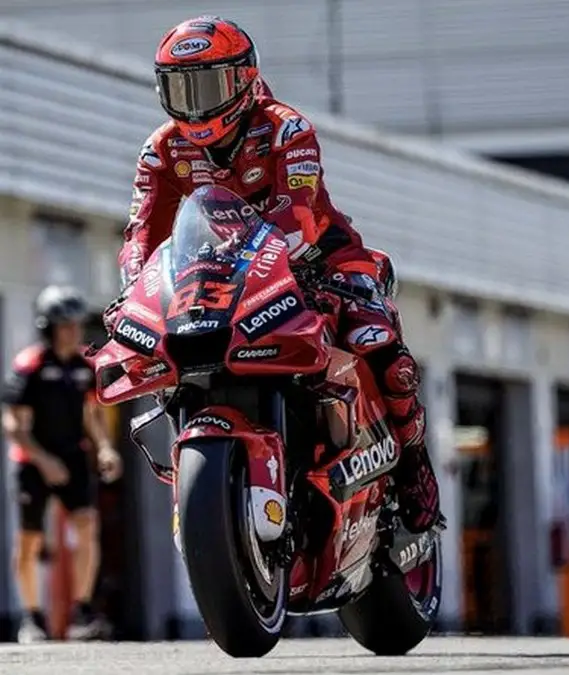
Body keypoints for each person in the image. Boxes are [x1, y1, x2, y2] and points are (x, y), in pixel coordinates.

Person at [103, 16, 440, 534]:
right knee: (160, 350)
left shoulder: (285, 127)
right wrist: (132, 291)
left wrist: (282, 260)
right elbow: (141, 233)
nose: (195, 103)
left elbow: (295, 215)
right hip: (217, 274)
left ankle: (415, 465)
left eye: (208, 85)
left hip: (320, 260)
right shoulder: (162, 149)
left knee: (377, 341)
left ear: (243, 79)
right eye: (180, 87)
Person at [3, 286, 123, 643]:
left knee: (87, 526)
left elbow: (94, 415)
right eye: (64, 325)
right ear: (48, 328)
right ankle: (31, 617)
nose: (73, 332)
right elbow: (12, 425)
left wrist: (105, 449)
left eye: (75, 324)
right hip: (33, 461)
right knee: (29, 540)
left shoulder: (85, 367)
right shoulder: (30, 366)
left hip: (72, 458)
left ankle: (82, 610)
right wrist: (44, 461)